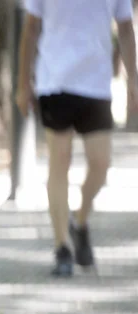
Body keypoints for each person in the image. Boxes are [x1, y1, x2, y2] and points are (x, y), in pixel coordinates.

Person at [16, 0, 138, 276]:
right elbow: (31, 28)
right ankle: (62, 248)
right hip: (54, 80)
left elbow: (126, 29)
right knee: (59, 161)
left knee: (101, 164)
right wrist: (24, 84)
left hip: (96, 83)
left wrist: (133, 80)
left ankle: (80, 221)